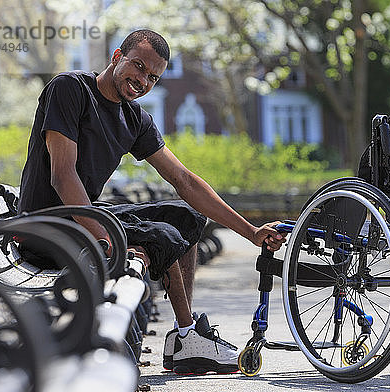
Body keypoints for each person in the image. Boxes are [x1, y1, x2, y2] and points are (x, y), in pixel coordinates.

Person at [18, 29, 286, 374]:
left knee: (186, 218)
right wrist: (106, 239)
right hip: (47, 227)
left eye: (152, 76)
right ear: (117, 56)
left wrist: (251, 233)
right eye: (138, 66)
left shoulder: (134, 119)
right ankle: (188, 334)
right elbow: (62, 175)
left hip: (81, 220)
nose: (142, 80)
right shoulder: (70, 89)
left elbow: (183, 180)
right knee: (160, 235)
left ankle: (183, 335)